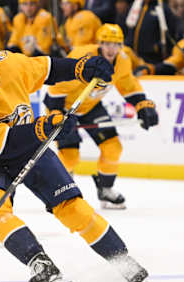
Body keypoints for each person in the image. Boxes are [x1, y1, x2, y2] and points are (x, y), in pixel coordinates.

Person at [0, 24, 152, 282]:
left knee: (73, 207)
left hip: (30, 149)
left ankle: (121, 259)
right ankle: (39, 263)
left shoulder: (8, 63)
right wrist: (42, 128)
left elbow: (48, 69)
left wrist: (82, 68)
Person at [43, 24, 159, 210]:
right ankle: (59, 190)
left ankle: (105, 189)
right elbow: (58, 86)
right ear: (100, 43)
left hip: (91, 106)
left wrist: (142, 104)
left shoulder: (122, 61)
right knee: (70, 156)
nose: (112, 48)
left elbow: (128, 85)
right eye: (107, 43)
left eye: (116, 44)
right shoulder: (83, 56)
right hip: (66, 106)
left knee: (113, 147)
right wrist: (56, 113)